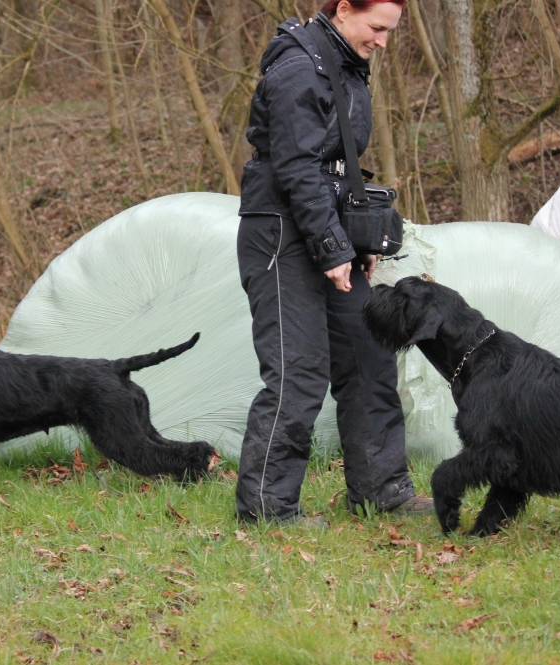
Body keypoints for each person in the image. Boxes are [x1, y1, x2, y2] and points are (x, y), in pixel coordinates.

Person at [235, 0, 433, 523]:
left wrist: (358, 242)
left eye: (391, 31)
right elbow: (297, 167)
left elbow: (339, 167)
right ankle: (267, 508)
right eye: (376, 28)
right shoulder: (298, 67)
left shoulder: (343, 66)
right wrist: (331, 247)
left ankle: (382, 489)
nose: (383, 41)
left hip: (322, 227)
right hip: (279, 231)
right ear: (344, 9)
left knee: (368, 353)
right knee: (298, 369)